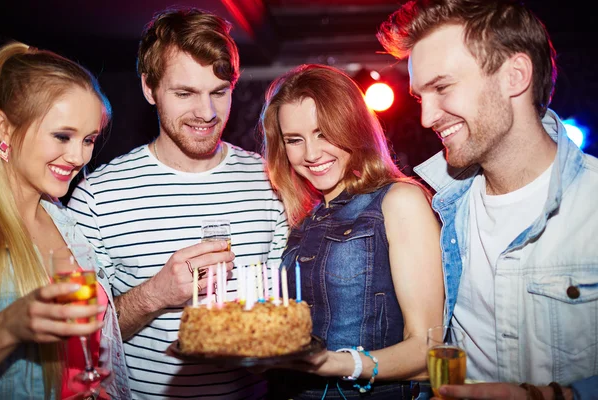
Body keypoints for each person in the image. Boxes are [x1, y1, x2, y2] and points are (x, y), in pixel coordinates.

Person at [377, 0, 598, 398]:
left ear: (514, 76)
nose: (426, 117)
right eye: (419, 97)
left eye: (442, 87)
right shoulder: (437, 206)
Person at [67, 8, 289, 399]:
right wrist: (157, 294)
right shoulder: (96, 196)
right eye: (185, 93)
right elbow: (76, 339)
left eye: (219, 92)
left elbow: (281, 314)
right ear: (149, 89)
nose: (206, 113)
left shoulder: (271, 182)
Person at [259, 64, 444, 399]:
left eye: (323, 133)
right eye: (294, 140)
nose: (312, 154)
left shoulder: (399, 200)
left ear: (353, 127)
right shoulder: (305, 218)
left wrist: (339, 363)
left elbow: (428, 350)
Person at [0, 42, 130, 399]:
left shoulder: (68, 225)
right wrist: (8, 327)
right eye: (62, 136)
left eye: (88, 140)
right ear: (4, 128)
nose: (77, 156)